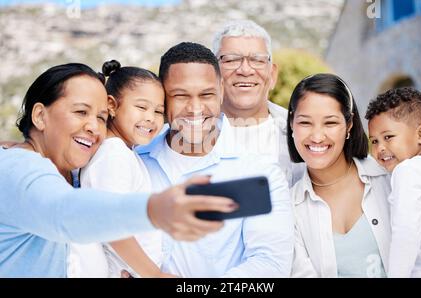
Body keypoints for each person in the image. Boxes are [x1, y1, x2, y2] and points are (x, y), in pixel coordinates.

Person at [0, 63, 237, 277]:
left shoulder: (64, 171)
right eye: (81, 112)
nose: (94, 127)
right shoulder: (20, 169)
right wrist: (155, 209)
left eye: (102, 117)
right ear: (40, 116)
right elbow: (65, 212)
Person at [136, 42, 294, 277]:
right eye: (180, 95)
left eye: (206, 94)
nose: (195, 108)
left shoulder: (258, 173)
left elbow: (270, 265)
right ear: (162, 96)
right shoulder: (135, 160)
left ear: (221, 89)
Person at [69, 60, 172, 278]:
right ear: (112, 106)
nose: (150, 118)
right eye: (141, 107)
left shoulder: (121, 153)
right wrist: (155, 275)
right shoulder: (113, 156)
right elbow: (111, 224)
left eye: (158, 111)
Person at [288, 74, 391, 278]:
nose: (317, 136)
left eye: (330, 123)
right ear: (292, 124)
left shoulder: (389, 178)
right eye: (305, 123)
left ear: (349, 125)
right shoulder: (289, 208)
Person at [366, 87, 421, 278]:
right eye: (374, 141)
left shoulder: (407, 171)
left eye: (388, 137)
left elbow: (406, 233)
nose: (380, 148)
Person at [212, 19, 304, 187]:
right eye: (231, 59)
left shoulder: (302, 131)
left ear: (272, 74)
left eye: (257, 60)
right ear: (213, 73)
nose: (245, 70)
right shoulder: (190, 133)